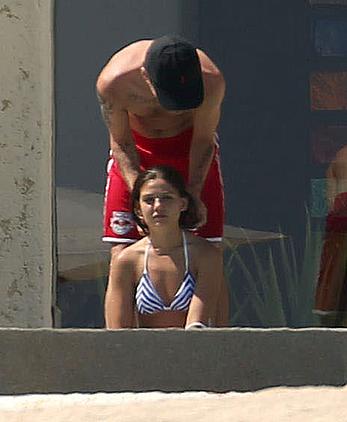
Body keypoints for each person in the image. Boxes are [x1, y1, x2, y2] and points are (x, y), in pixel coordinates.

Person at [96, 34, 229, 325]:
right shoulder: (115, 82)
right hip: (137, 154)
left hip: (190, 152)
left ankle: (220, 350)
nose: (176, 109)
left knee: (208, 246)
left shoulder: (212, 81)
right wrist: (138, 196)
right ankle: (119, 349)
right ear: (145, 76)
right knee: (122, 251)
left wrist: (192, 192)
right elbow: (121, 144)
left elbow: (204, 140)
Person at [104, 166, 223, 328]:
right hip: (141, 351)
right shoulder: (126, 261)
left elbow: (197, 326)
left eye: (166, 198)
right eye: (149, 200)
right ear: (138, 210)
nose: (158, 206)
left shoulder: (206, 255)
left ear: (183, 204)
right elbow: (116, 331)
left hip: (194, 350)